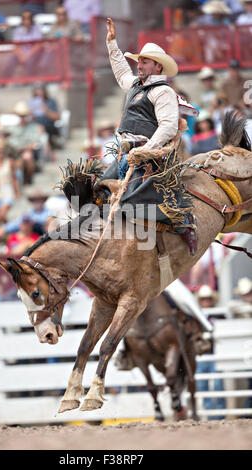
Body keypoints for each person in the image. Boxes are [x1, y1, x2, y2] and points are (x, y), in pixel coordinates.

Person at [102, 17, 198, 255]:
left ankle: (182, 222)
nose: (139, 65)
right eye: (139, 61)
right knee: (99, 188)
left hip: (146, 155)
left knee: (130, 201)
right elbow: (121, 71)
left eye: (144, 61)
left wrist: (145, 150)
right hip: (129, 152)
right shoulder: (137, 84)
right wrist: (112, 44)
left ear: (158, 67)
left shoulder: (163, 91)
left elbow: (166, 127)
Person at [195, 284, 226, 420]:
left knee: (218, 384)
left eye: (208, 299)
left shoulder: (220, 314)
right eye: (203, 299)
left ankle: (219, 415)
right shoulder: (196, 315)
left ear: (212, 300)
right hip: (201, 355)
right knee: (202, 385)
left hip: (216, 354)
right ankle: (209, 414)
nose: (206, 301)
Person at [6, 101, 47, 184]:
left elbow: (35, 143)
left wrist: (23, 148)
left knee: (27, 156)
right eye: (20, 116)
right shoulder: (12, 128)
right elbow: (10, 143)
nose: (22, 118)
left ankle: (27, 180)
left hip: (27, 153)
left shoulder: (33, 127)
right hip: (15, 153)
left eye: (23, 116)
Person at [0, 138, 20, 226]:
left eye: (2, 151)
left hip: (7, 189)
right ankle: (6, 232)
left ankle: (5, 231)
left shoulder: (9, 162)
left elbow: (14, 178)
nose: (0, 153)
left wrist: (16, 191)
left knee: (1, 214)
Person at [2, 10, 43, 79]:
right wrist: (21, 56)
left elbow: (38, 45)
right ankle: (3, 80)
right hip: (21, 54)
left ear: (31, 19)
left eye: (28, 18)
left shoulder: (36, 29)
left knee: (30, 61)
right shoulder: (18, 30)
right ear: (22, 20)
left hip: (33, 54)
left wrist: (27, 55)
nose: (27, 20)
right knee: (11, 61)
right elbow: (16, 46)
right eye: (24, 18)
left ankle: (29, 80)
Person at [27, 84, 60, 158]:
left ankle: (48, 153)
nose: (39, 92)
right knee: (39, 128)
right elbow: (29, 119)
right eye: (37, 90)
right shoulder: (32, 103)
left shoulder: (51, 101)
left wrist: (46, 110)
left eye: (40, 90)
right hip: (36, 127)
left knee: (41, 128)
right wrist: (31, 114)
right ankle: (48, 153)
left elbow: (57, 117)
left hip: (49, 126)